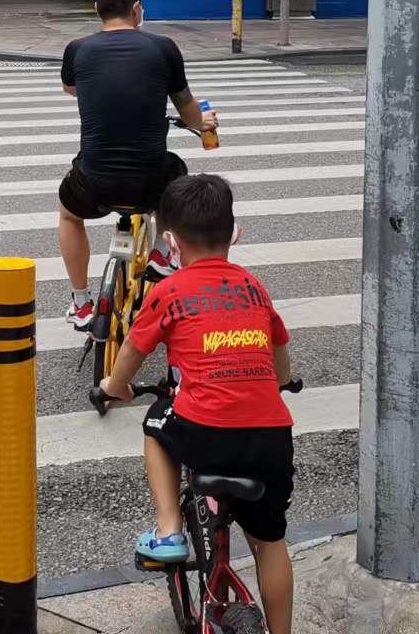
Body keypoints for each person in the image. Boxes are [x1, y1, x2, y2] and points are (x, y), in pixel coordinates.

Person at [100, 174, 296, 634]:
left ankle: (169, 528)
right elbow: (281, 357)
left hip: (206, 432)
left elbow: (132, 350)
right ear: (234, 234)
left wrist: (114, 386)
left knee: (156, 423)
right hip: (271, 438)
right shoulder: (254, 287)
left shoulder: (169, 290)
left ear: (170, 242)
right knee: (270, 543)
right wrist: (282, 382)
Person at [58, 0, 217, 330]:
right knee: (175, 172)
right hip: (149, 183)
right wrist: (203, 123)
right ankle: (161, 252)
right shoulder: (163, 48)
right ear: (137, 9)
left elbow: (72, 89)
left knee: (69, 215)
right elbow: (188, 110)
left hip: (93, 183)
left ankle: (81, 302)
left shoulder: (77, 50)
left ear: (97, 8)